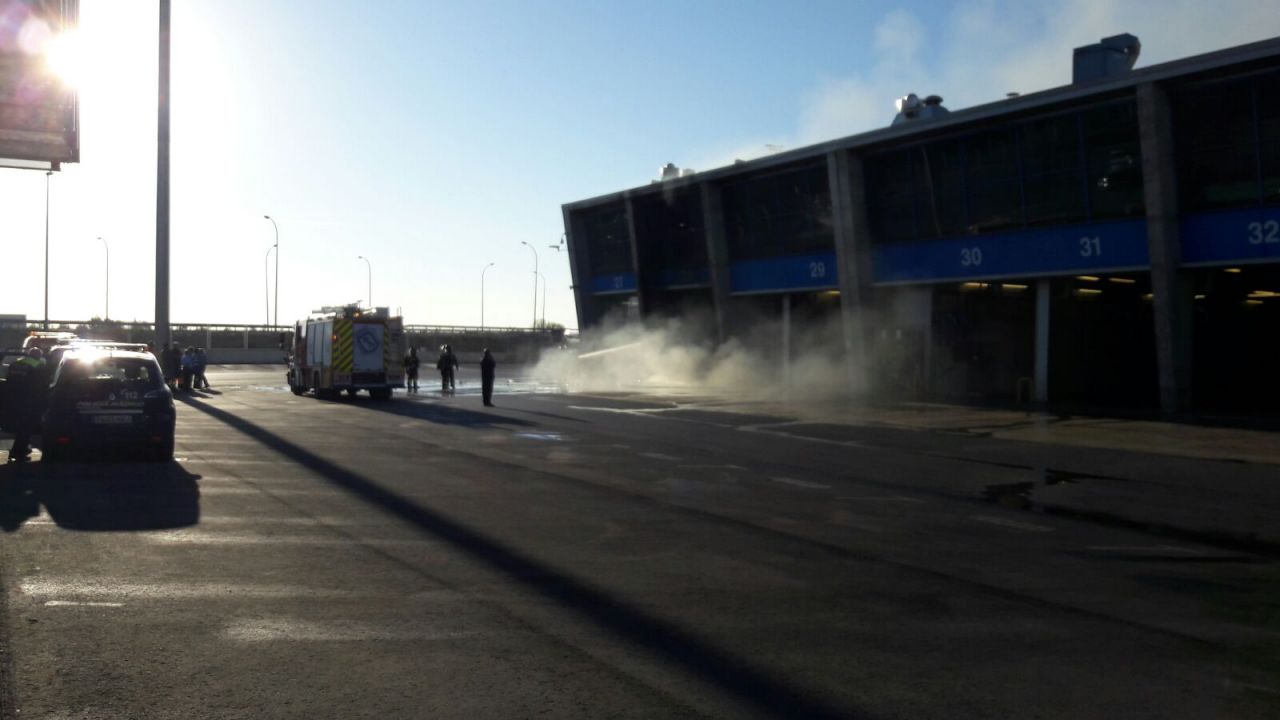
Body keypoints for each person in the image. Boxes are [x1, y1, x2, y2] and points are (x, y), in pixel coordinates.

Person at [4, 347, 48, 462]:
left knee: (20, 427)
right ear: (38, 356)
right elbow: (41, 386)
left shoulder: (16, 364)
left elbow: (7, 381)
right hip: (28, 401)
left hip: (12, 401)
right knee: (26, 428)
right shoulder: (38, 366)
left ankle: (18, 450)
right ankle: (18, 452)